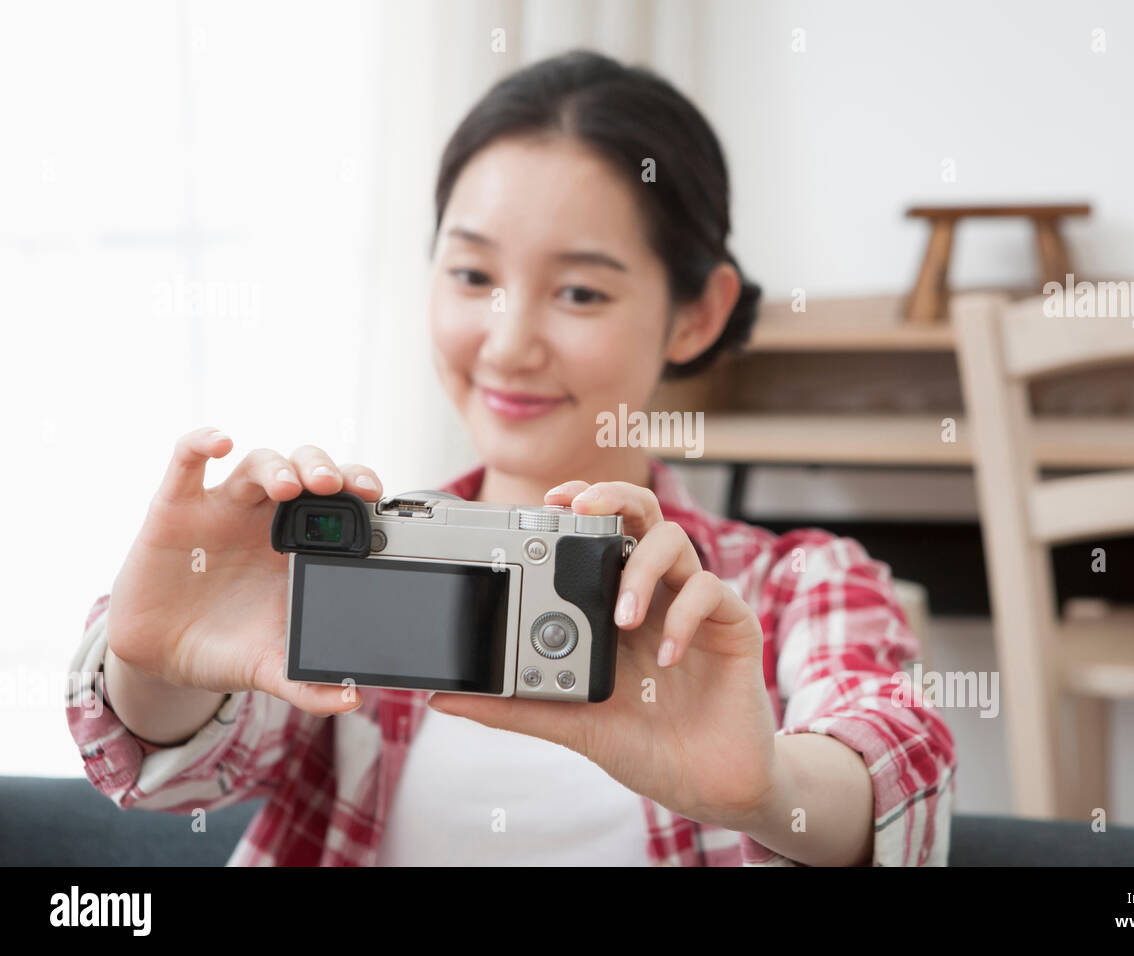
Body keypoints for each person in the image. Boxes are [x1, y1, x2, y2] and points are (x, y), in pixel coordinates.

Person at [67, 49, 955, 866]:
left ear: (698, 313)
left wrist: (772, 790)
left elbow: (898, 776)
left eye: (579, 291)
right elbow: (186, 772)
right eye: (472, 276)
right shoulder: (343, 559)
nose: (508, 344)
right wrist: (154, 664)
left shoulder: (795, 585)